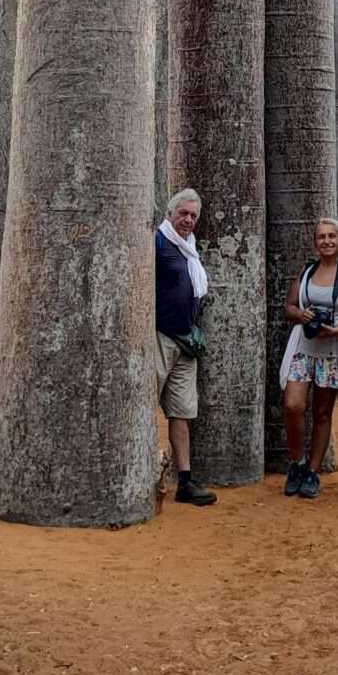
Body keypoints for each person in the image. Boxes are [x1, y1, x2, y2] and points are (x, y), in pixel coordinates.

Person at [279, 217, 338, 499]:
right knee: (293, 405)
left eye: (331, 236)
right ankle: (297, 463)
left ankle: (313, 473)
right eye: (321, 237)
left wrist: (336, 330)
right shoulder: (307, 271)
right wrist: (301, 315)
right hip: (303, 347)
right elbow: (289, 307)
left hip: (332, 351)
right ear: (315, 242)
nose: (326, 241)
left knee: (323, 413)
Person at [155, 189, 216, 506]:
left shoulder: (189, 249)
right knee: (143, 402)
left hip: (185, 342)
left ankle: (185, 482)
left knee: (181, 413)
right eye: (184, 214)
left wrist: (192, 328)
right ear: (170, 213)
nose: (188, 220)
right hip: (158, 339)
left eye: (193, 216)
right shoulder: (159, 242)